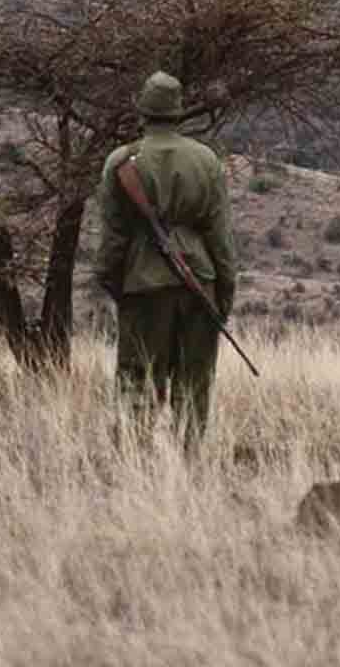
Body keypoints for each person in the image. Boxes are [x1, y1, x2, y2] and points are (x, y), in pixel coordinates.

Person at [95, 71, 236, 451]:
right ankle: (189, 465)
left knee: (137, 378)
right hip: (200, 284)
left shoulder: (121, 161)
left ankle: (135, 466)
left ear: (143, 112)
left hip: (142, 285)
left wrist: (114, 284)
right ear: (178, 114)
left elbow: (112, 237)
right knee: (194, 382)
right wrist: (223, 294)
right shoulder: (206, 159)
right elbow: (221, 238)